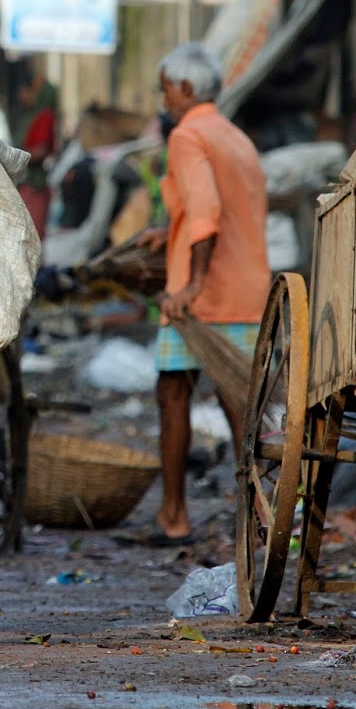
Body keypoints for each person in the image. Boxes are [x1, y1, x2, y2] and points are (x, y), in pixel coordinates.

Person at [143, 43, 268, 544]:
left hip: (203, 297)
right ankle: (260, 517)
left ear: (187, 89)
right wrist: (165, 231)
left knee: (172, 394)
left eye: (166, 90)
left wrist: (191, 285)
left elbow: (207, 213)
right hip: (250, 288)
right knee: (240, 406)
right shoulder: (235, 137)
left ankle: (173, 516)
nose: (164, 100)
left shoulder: (187, 135)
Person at [11, 59, 60, 238]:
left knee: (32, 237)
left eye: (26, 89)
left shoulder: (44, 116)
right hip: (24, 183)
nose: (21, 94)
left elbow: (42, 150)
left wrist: (13, 157)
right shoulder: (29, 116)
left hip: (34, 185)